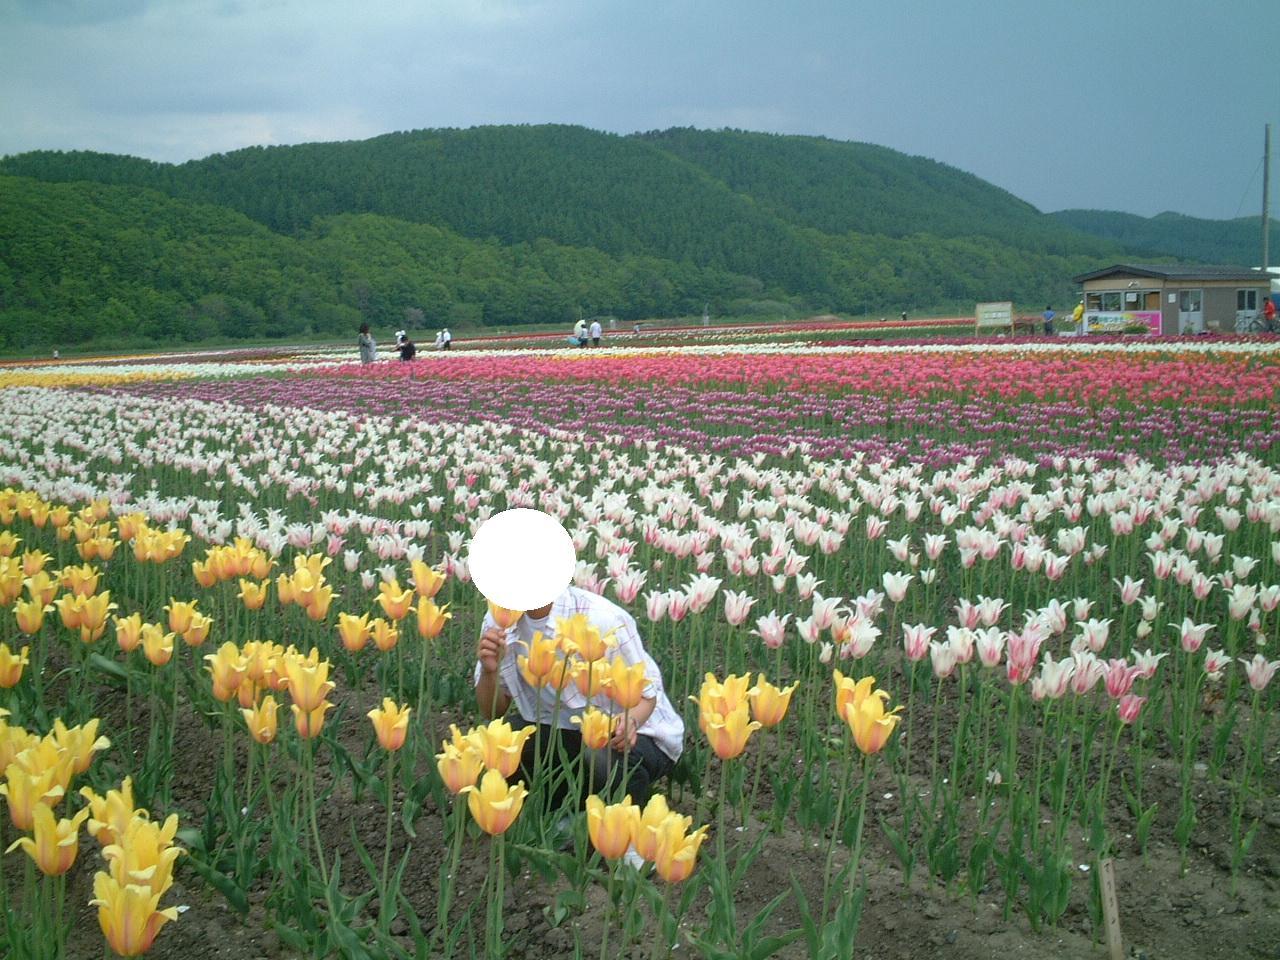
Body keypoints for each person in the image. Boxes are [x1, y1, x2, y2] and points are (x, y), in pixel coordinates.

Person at [475, 587, 683, 815]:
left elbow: (647, 694)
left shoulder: (601, 618)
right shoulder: (499, 619)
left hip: (636, 732)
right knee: (498, 744)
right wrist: (489, 672)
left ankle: (625, 827)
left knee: (600, 758)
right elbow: (492, 711)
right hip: (562, 728)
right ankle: (560, 815)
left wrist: (630, 720)